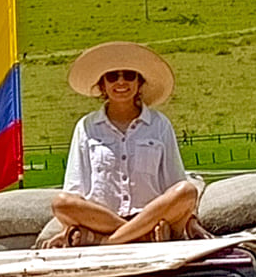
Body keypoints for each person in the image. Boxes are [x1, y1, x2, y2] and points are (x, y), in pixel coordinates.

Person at [45, 41, 206, 246]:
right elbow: (75, 188)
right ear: (102, 84)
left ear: (139, 82)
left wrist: (190, 220)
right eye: (113, 76)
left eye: (129, 75)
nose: (121, 82)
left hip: (151, 215)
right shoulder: (86, 127)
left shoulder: (159, 124)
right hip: (102, 220)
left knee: (187, 191)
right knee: (61, 203)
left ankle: (107, 242)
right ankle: (140, 236)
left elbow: (175, 182)